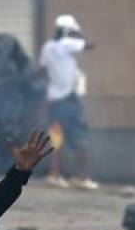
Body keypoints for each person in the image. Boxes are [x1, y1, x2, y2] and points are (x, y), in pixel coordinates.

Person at [39, 14, 98, 190]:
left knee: (57, 138)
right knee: (80, 137)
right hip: (69, 100)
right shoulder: (67, 44)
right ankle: (81, 177)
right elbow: (90, 45)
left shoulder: (47, 47)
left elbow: (42, 69)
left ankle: (54, 174)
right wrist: (79, 35)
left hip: (53, 99)